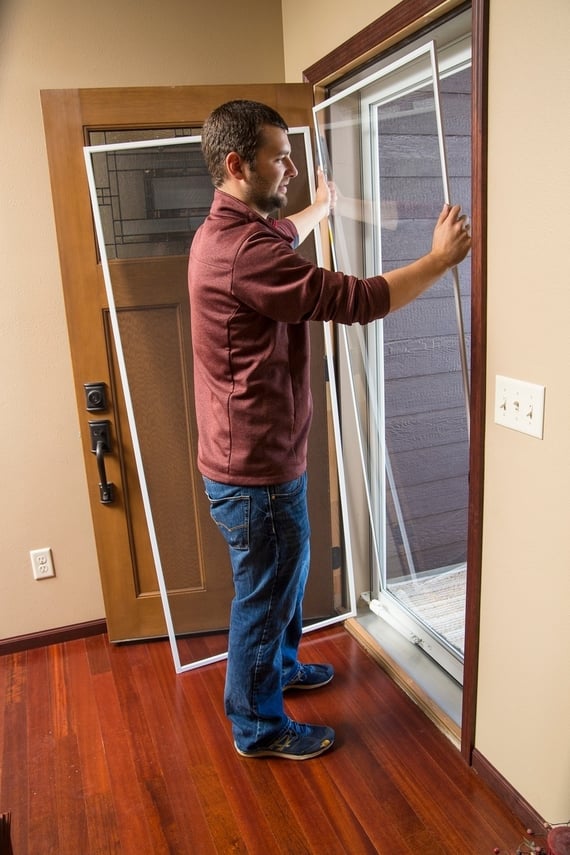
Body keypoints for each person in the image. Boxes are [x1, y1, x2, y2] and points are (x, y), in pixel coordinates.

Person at [188, 100, 471, 761]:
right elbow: (356, 300)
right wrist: (437, 260)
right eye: (278, 156)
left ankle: (280, 670)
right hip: (253, 469)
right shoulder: (244, 253)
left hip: (253, 459)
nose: (288, 166)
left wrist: (321, 207)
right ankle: (258, 726)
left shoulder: (233, 233)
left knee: (285, 575)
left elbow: (281, 234)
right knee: (265, 594)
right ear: (237, 164)